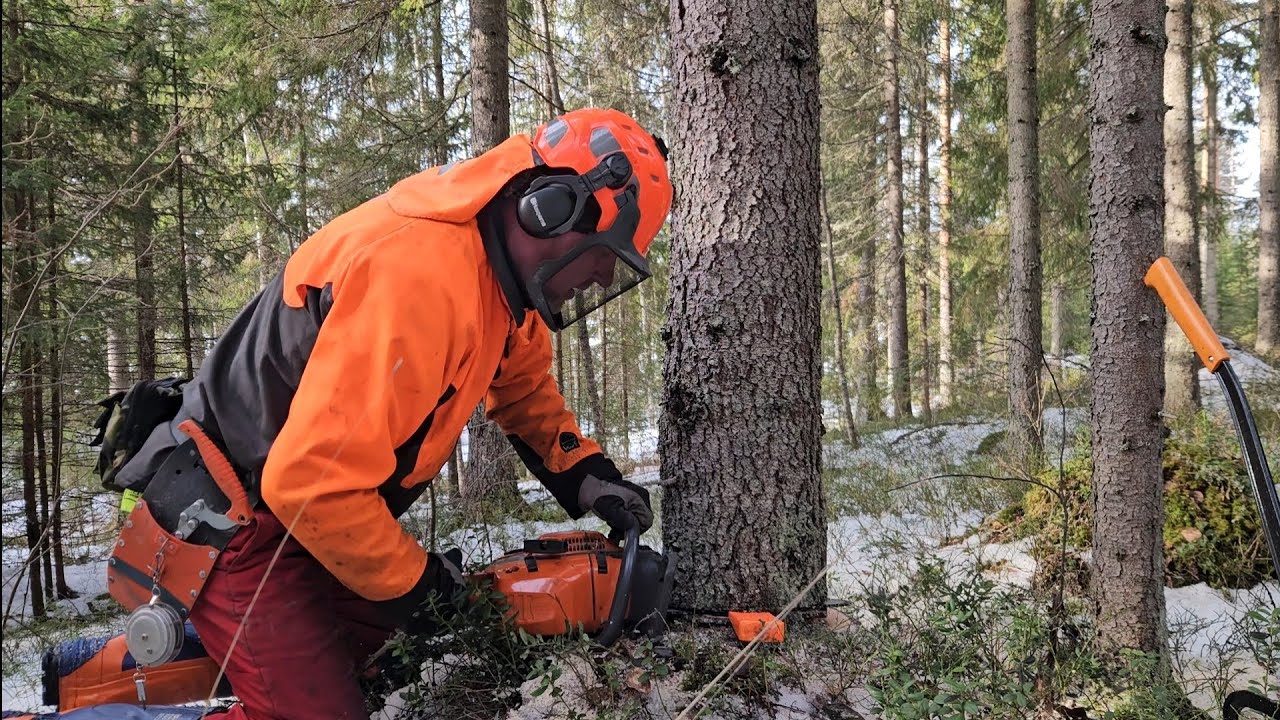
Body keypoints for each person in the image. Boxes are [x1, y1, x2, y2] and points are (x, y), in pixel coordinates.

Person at [106, 108, 672, 720]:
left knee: (385, 661)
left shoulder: (502, 284)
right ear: (551, 207)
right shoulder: (421, 275)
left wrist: (586, 474)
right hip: (232, 522)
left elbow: (523, 389)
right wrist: (423, 588)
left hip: (309, 524)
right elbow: (310, 482)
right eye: (603, 254)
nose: (601, 276)